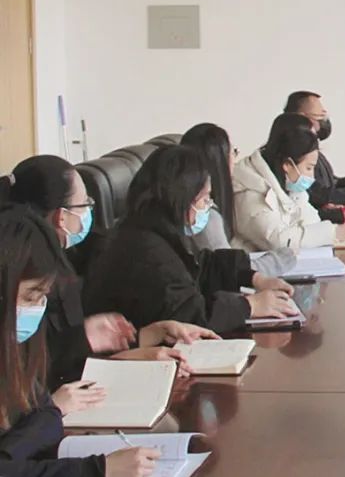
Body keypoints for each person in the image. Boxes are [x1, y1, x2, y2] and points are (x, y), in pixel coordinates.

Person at [1, 157, 209, 389]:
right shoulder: (26, 279)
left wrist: (144, 338)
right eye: (85, 204)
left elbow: (66, 358)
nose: (90, 210)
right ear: (61, 217)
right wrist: (123, 357)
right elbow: (43, 376)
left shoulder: (66, 262)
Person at [0, 205, 161, 477]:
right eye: (30, 297)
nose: (37, 308)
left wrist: (50, 414)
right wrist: (99, 469)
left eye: (42, 297)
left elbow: (13, 448)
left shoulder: (17, 343)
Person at [83, 146, 297, 334]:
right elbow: (190, 316)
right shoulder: (147, 250)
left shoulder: (152, 228)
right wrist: (250, 306)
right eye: (205, 199)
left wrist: (254, 278)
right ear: (182, 198)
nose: (208, 206)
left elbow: (200, 266)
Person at [180, 123, 294, 277]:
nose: (235, 159)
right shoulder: (205, 216)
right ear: (220, 161)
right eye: (233, 152)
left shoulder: (191, 205)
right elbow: (229, 272)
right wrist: (279, 259)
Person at [233, 117, 345, 251]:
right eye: (309, 168)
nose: (312, 176)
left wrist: (336, 231)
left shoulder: (288, 184)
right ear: (288, 165)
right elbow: (278, 241)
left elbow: (311, 220)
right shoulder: (250, 191)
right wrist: (333, 232)